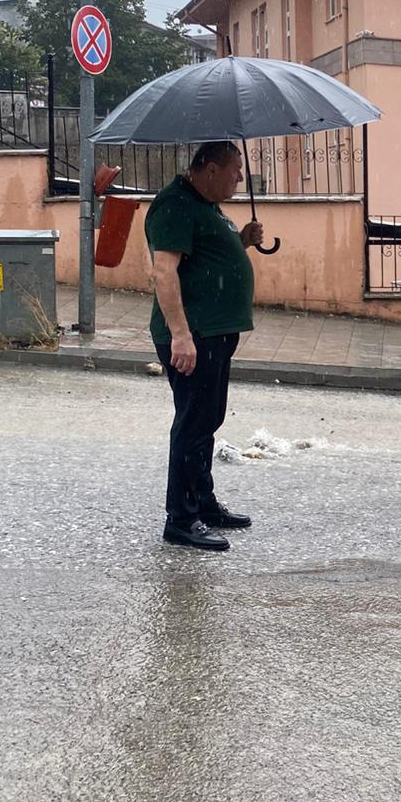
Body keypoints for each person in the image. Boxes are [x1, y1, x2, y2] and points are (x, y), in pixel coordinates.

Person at [146, 141, 266, 551]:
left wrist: (241, 241)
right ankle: (181, 519)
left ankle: (203, 504)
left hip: (213, 333)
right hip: (194, 334)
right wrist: (181, 335)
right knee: (193, 424)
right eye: (235, 170)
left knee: (207, 420)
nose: (240, 178)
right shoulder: (175, 205)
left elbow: (204, 256)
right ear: (211, 169)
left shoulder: (205, 205)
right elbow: (164, 272)